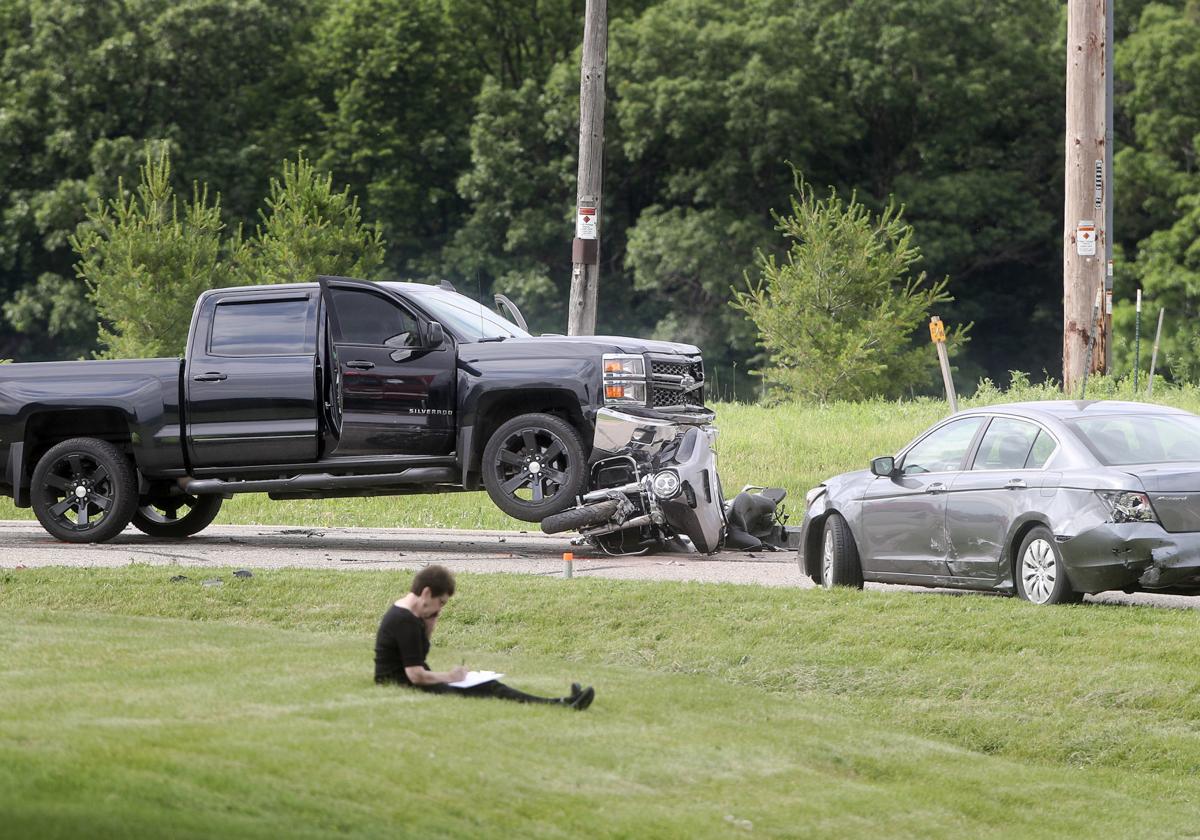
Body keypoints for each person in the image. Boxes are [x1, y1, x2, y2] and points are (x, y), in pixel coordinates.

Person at [374, 564, 594, 710]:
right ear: (426, 594)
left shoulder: (411, 616)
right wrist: (451, 677)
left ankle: (563, 702)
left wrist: (430, 623)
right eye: (440, 603)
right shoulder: (404, 620)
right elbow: (416, 676)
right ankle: (562, 704)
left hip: (407, 682)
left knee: (491, 685)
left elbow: (418, 656)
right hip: (401, 685)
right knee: (492, 689)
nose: (439, 610)